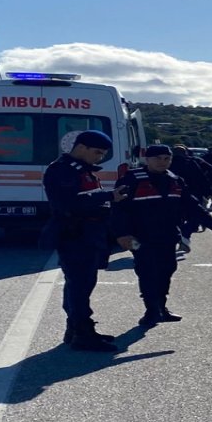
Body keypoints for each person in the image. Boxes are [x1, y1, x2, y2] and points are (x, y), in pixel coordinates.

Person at [112, 145, 212, 327]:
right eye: (157, 158)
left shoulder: (175, 180)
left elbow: (192, 205)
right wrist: (122, 234)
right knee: (147, 272)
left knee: (166, 271)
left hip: (168, 236)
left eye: (166, 159)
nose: (162, 162)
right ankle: (151, 311)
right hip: (140, 238)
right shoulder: (131, 180)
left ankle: (161, 308)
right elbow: (118, 210)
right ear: (147, 159)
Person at [39, 130, 128, 352]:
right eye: (97, 153)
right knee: (79, 285)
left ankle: (76, 328)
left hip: (89, 235)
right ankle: (82, 333)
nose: (99, 158)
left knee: (83, 284)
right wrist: (108, 196)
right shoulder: (62, 170)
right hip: (75, 235)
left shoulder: (83, 171)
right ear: (81, 147)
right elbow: (68, 204)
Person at [170, 145, 212, 256]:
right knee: (194, 218)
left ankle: (175, 241)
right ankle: (185, 236)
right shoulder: (191, 163)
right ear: (185, 153)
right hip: (192, 194)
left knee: (174, 220)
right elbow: (202, 177)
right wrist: (208, 192)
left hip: (173, 196)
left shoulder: (167, 164)